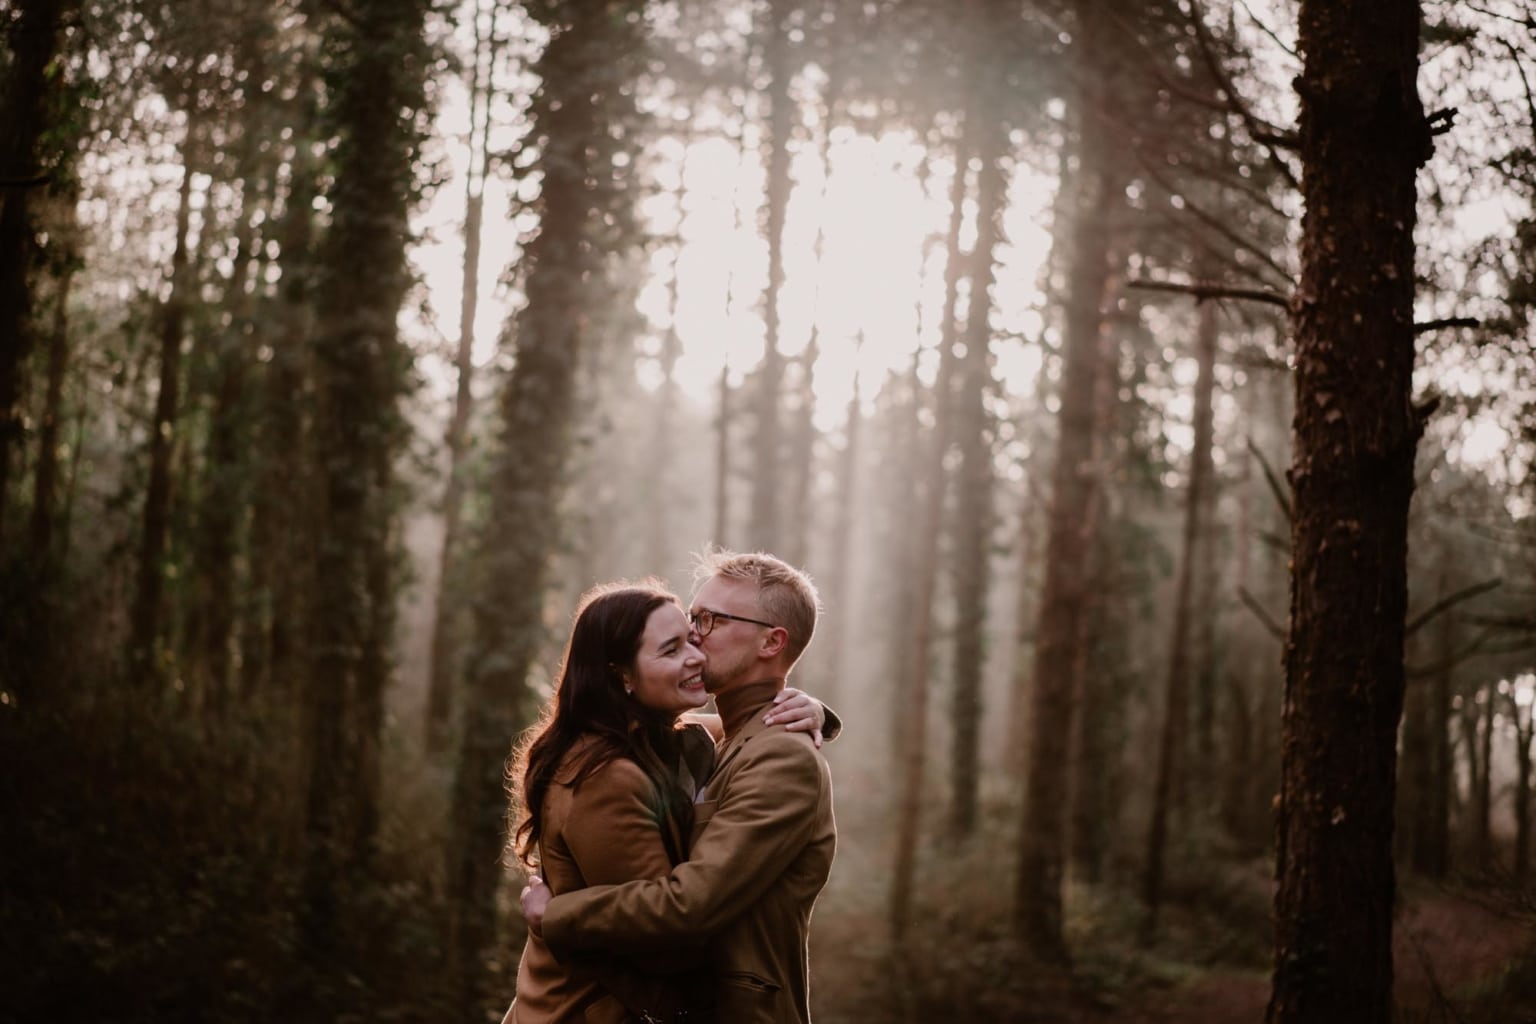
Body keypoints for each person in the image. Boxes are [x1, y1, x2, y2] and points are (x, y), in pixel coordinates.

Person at [522, 550, 835, 1024]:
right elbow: (695, 730)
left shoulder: (780, 755)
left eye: (710, 620)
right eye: (693, 620)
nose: (695, 637)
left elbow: (688, 906)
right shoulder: (717, 738)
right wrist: (818, 713)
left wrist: (557, 916)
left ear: (771, 642)